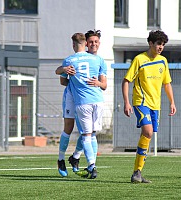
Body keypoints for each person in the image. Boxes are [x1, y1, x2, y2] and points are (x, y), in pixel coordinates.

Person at [122, 30, 176, 183]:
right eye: (158, 44)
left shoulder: (163, 61)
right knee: (148, 132)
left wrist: (172, 102)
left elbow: (167, 83)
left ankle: (137, 172)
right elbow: (126, 81)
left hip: (155, 105)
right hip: (140, 101)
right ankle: (137, 172)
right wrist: (126, 102)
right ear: (150, 43)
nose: (161, 47)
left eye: (163, 45)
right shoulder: (139, 59)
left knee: (146, 136)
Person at [56, 30, 107, 177]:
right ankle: (61, 160)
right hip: (73, 97)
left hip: (87, 99)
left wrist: (97, 83)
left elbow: (104, 85)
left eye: (96, 42)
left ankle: (76, 157)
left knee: (89, 133)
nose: (93, 44)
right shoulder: (73, 60)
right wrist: (69, 74)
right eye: (91, 42)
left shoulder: (98, 60)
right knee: (70, 128)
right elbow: (62, 81)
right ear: (86, 44)